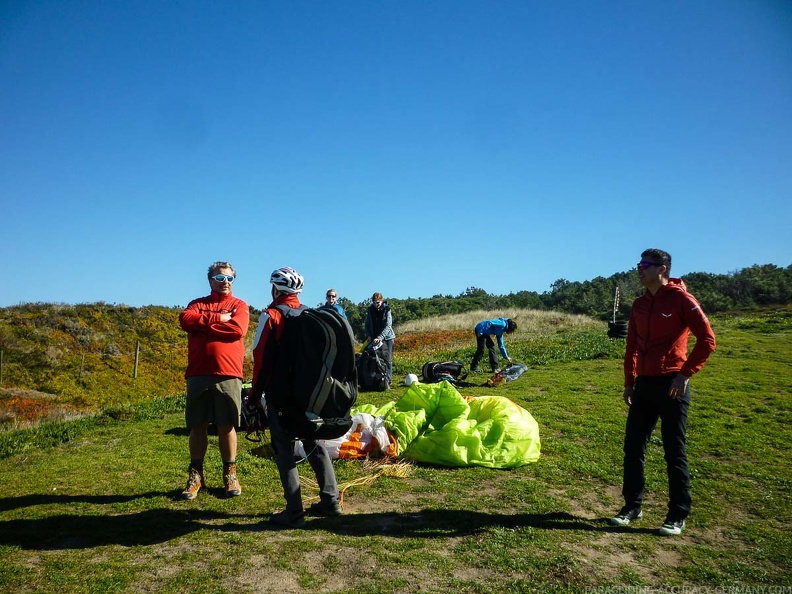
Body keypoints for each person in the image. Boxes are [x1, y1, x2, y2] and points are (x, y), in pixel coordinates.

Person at [610, 248, 716, 536]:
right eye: (638, 264)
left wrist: (685, 374)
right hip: (643, 385)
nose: (639, 269)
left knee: (674, 451)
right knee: (633, 448)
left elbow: (707, 340)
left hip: (672, 384)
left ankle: (677, 514)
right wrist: (629, 382)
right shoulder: (639, 305)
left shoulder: (682, 299)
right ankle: (632, 506)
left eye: (645, 265)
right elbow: (631, 346)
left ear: (663, 269)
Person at [250, 267, 341, 528]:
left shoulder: (271, 316)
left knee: (284, 450)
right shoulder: (310, 315)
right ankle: (331, 500)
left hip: (281, 395)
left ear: (275, 289)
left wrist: (254, 397)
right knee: (315, 443)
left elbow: (260, 360)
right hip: (311, 395)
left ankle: (294, 511)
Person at [178, 261, 250, 500]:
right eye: (220, 278)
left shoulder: (239, 305)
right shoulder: (196, 304)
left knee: (226, 424)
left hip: (229, 373)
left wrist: (204, 325)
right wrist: (218, 319)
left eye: (229, 278)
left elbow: (237, 330)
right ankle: (195, 475)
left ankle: (230, 474)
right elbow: (185, 320)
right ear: (211, 281)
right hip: (198, 373)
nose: (225, 282)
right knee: (197, 424)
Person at [364, 292, 395, 386]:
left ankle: (388, 380)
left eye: (378, 302)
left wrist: (380, 337)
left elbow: (388, 326)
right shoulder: (370, 310)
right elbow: (367, 324)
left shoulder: (387, 310)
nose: (376, 304)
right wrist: (368, 335)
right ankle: (377, 378)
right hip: (374, 338)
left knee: (387, 359)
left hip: (387, 338)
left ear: (382, 301)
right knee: (375, 358)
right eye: (374, 302)